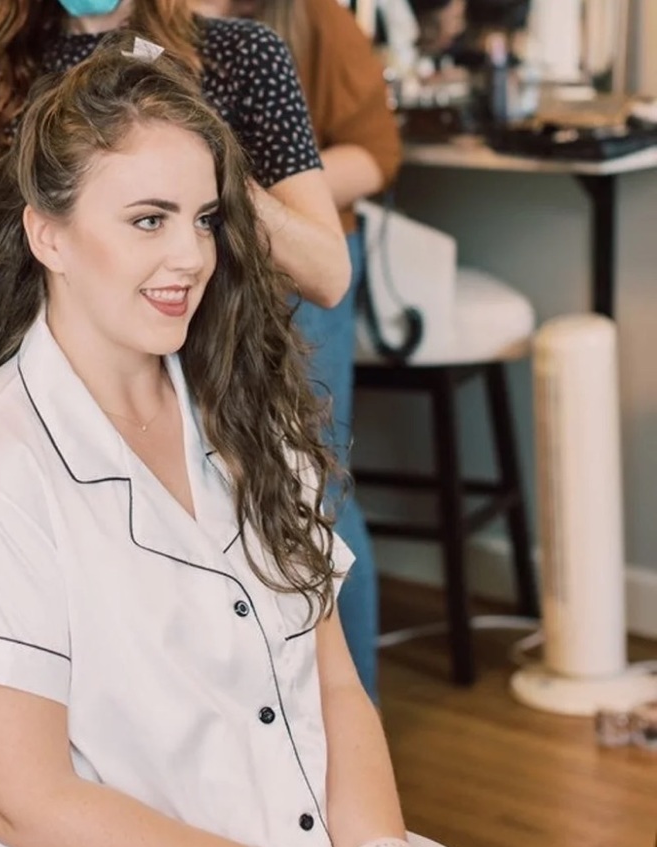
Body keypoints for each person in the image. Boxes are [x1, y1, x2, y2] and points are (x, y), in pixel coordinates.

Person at [0, 42, 637, 847]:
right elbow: (25, 803)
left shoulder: (242, 417)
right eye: (147, 220)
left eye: (203, 219)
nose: (190, 256)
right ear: (50, 235)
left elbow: (334, 685)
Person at [0, 0, 353, 346]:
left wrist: (210, 163)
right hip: (46, 391)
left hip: (214, 381)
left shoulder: (242, 59)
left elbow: (327, 275)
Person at [192, 0, 402, 700]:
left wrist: (271, 185)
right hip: (197, 264)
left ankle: (352, 715)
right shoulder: (137, 22)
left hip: (298, 264)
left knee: (313, 487)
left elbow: (376, 154)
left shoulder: (312, 20)